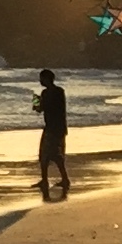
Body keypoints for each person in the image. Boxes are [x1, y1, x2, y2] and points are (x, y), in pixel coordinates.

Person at [35, 70, 69, 199]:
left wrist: (38, 103)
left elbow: (48, 107)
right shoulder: (53, 92)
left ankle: (53, 180)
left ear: (48, 79)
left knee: (50, 155)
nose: (40, 81)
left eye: (42, 78)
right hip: (53, 127)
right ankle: (51, 179)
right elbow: (40, 110)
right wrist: (37, 103)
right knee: (50, 155)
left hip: (55, 128)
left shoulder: (57, 92)